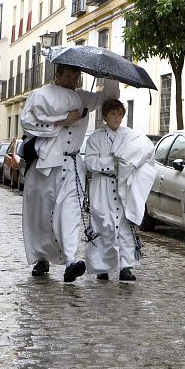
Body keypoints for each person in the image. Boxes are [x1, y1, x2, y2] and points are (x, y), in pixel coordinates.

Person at [20, 64, 119, 283]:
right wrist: (61, 120)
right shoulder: (40, 95)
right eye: (68, 75)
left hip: (72, 164)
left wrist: (109, 74)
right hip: (45, 166)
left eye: (77, 75)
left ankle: (72, 260)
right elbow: (27, 122)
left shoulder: (83, 98)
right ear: (58, 74)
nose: (73, 79)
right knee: (42, 215)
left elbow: (109, 97)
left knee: (71, 211)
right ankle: (42, 257)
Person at [84, 99, 155, 282]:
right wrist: (112, 163)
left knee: (124, 226)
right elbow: (90, 162)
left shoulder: (130, 136)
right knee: (103, 225)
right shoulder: (95, 138)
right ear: (105, 116)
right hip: (102, 187)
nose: (117, 117)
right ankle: (102, 266)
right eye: (113, 113)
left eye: (119, 113)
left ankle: (126, 266)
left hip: (123, 185)